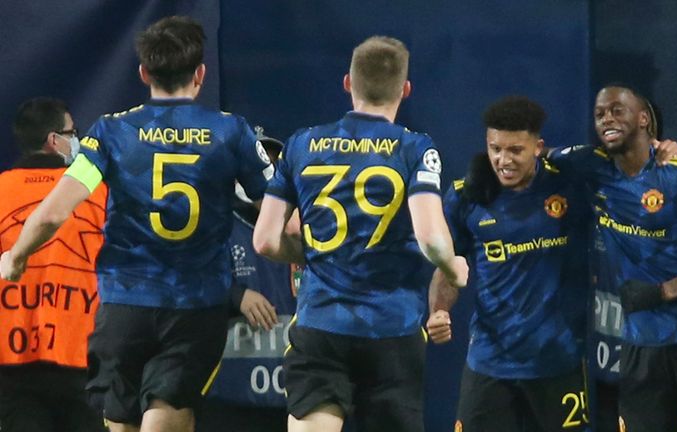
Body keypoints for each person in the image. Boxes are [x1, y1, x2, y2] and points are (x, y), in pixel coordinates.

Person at [0, 16, 273, 432]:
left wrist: (16, 256)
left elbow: (56, 210)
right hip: (195, 304)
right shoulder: (231, 132)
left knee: (120, 416)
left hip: (125, 304)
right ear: (200, 74)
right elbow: (273, 206)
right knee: (170, 406)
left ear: (144, 73)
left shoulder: (111, 133)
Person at [252, 35, 468, 432]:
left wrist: (311, 253)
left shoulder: (301, 143)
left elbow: (264, 239)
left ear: (348, 83)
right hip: (392, 331)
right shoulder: (416, 148)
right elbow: (432, 240)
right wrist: (454, 269)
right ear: (405, 90)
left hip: (320, 326)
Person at [548, 85, 677, 431]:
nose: (606, 120)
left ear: (644, 119)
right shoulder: (592, 168)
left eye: (617, 110)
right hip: (639, 344)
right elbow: (536, 156)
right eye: (599, 114)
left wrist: (664, 292)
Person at [425, 96, 590, 432]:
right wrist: (439, 310)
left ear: (538, 147)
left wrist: (666, 149)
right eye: (495, 148)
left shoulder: (570, 186)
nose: (503, 160)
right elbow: (448, 265)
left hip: (557, 362)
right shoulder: (467, 196)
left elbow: (623, 165)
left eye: (515, 150)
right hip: (490, 364)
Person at [0, 97, 107, 432]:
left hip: (11, 358)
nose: (76, 140)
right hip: (82, 354)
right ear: (53, 140)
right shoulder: (97, 193)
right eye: (72, 132)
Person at [197, 132, 295, 432]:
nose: (266, 180)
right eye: (255, 168)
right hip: (229, 395)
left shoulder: (305, 231)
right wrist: (236, 296)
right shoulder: (215, 227)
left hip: (295, 396)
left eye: (274, 168)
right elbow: (186, 284)